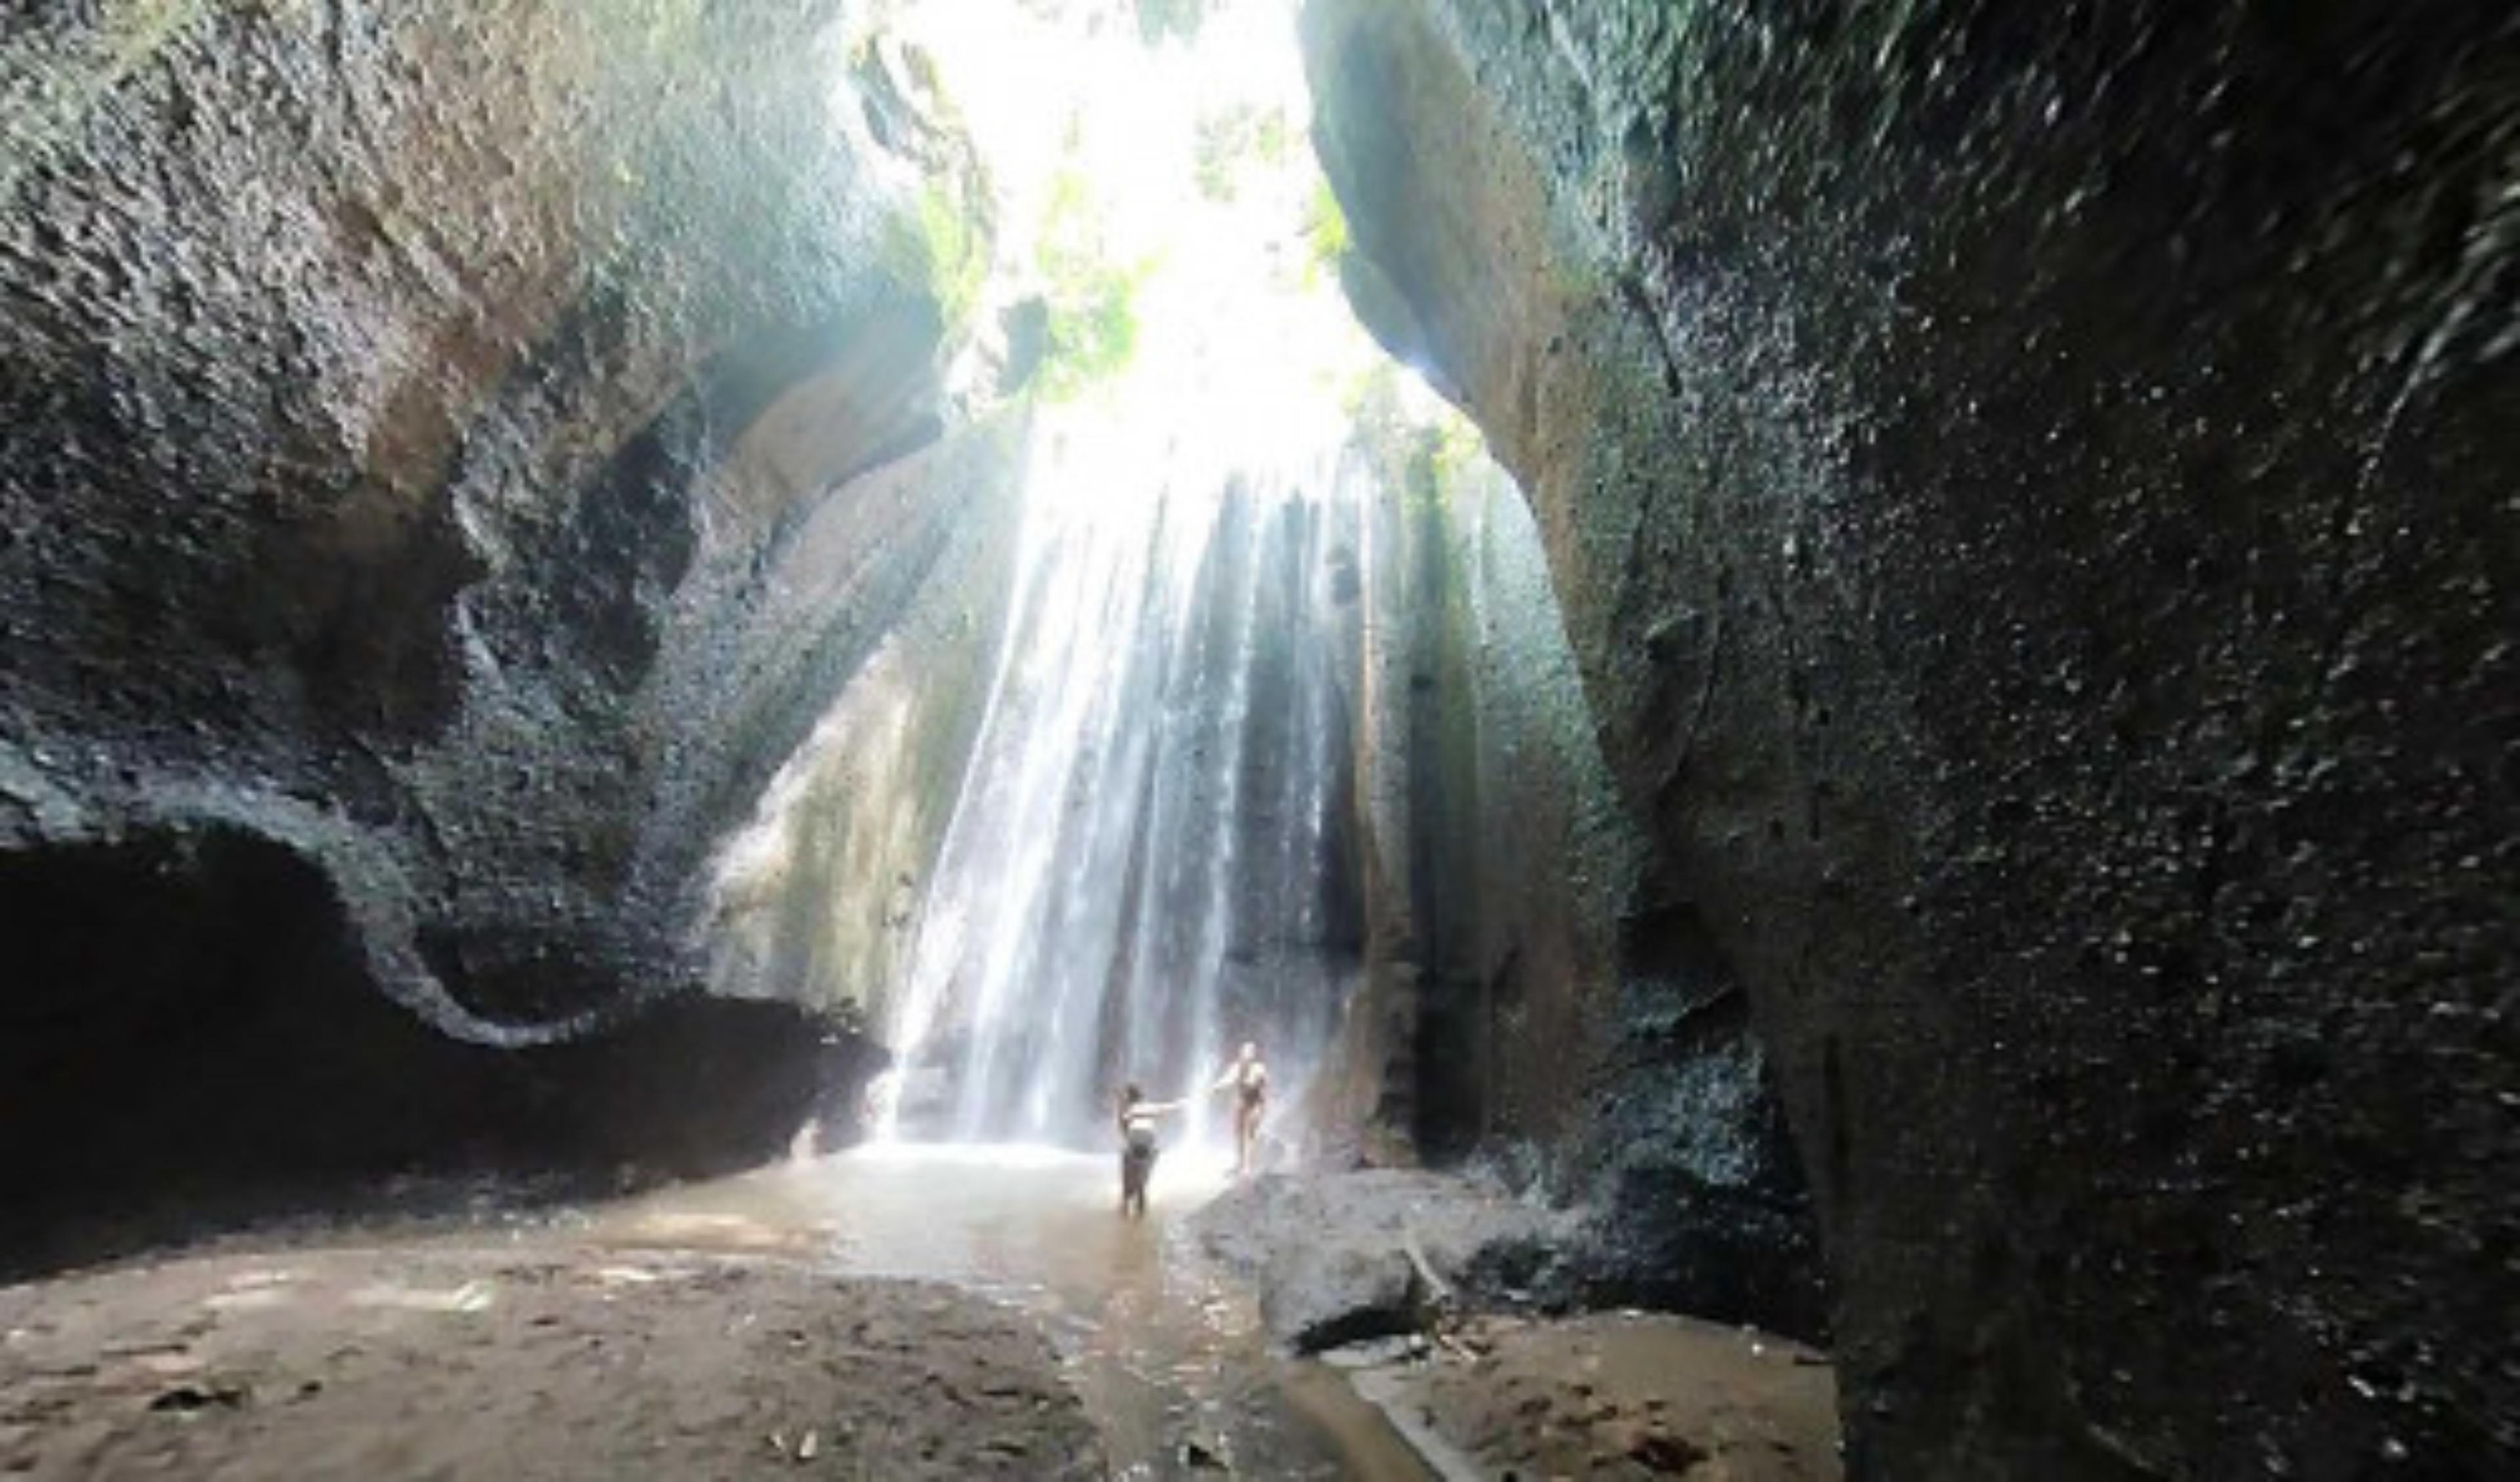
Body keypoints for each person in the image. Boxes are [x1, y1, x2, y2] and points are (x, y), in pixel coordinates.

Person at [1116, 1083, 1189, 1219]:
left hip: (1135, 1140)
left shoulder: (1128, 1110)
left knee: (1127, 1183)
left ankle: (1126, 1211)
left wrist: (1120, 1108)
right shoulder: (1150, 1107)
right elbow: (1171, 1107)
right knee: (1142, 1184)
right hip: (1148, 1142)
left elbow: (1124, 1130)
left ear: (1129, 1098)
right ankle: (1140, 1215)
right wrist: (1186, 1101)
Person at [1210, 1041, 1268, 1178]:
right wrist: (1216, 1087)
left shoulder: (1259, 1068)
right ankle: (1239, 1163)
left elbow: (1253, 1083)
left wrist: (1239, 1079)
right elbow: (1227, 1080)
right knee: (1238, 1134)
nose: (1246, 1056)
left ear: (1253, 1055)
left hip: (1256, 1102)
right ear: (1240, 1054)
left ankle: (1247, 1167)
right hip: (1241, 1101)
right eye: (1244, 1053)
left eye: (1249, 1053)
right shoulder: (1236, 1067)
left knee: (1250, 1134)